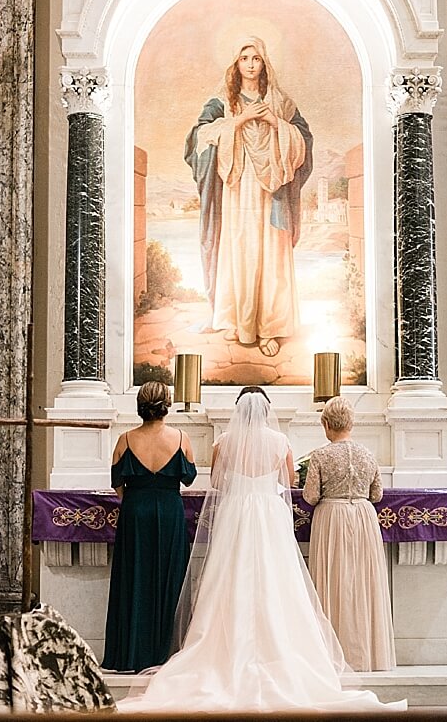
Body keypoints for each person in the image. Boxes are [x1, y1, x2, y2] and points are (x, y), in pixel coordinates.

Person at [117, 388, 402, 712]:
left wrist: (243, 485)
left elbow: (218, 483)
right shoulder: (280, 443)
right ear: (267, 411)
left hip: (236, 514)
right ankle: (281, 651)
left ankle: (222, 653)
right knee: (277, 581)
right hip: (269, 514)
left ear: (240, 411)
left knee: (230, 580)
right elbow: (290, 480)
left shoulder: (224, 442)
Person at [187, 35, 314, 358]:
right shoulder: (222, 102)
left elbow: (304, 140)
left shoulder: (280, 102)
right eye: (244, 58)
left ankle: (270, 328)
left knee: (270, 253)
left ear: (264, 62)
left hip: (272, 190)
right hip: (238, 187)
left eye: (256, 58)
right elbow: (199, 137)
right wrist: (239, 120)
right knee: (241, 250)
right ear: (236, 64)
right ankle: (237, 321)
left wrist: (275, 123)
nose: (250, 64)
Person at [101, 381, 196, 672]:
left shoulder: (125, 439)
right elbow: (189, 478)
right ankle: (166, 654)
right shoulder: (181, 437)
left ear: (140, 405)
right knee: (170, 580)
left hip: (135, 512)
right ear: (166, 405)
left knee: (134, 578)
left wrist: (136, 500)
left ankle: (131, 654)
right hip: (169, 511)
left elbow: (117, 484)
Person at [304, 396, 395, 671]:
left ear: (326, 424)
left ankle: (333, 653)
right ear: (351, 424)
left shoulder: (320, 455)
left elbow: (310, 496)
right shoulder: (368, 454)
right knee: (362, 584)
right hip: (364, 518)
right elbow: (376, 494)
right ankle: (367, 655)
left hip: (332, 517)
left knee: (334, 581)